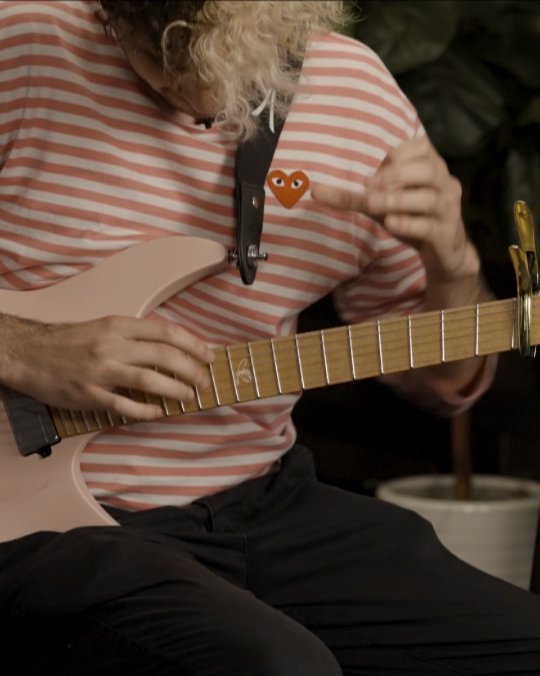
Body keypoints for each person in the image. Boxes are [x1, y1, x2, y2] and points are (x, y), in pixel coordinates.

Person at [0, 1, 539, 674]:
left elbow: (444, 382)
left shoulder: (358, 102)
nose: (184, 89)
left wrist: (452, 263)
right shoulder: (23, 44)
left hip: (262, 504)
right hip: (42, 526)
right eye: (154, 55)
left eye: (209, 61)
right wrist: (22, 346)